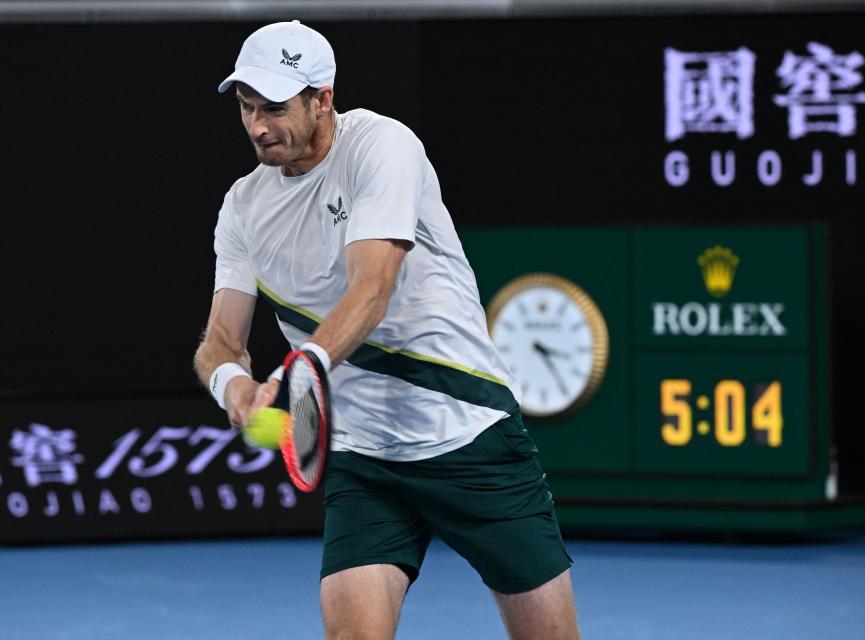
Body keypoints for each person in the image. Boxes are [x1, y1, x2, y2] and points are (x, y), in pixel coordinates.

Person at [193, 20, 580, 640]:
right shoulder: (242, 205)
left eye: (273, 108)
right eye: (245, 107)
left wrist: (301, 371)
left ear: (322, 98)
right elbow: (220, 341)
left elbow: (371, 285)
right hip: (363, 458)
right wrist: (234, 387)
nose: (258, 127)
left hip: (470, 431)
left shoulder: (382, 146)